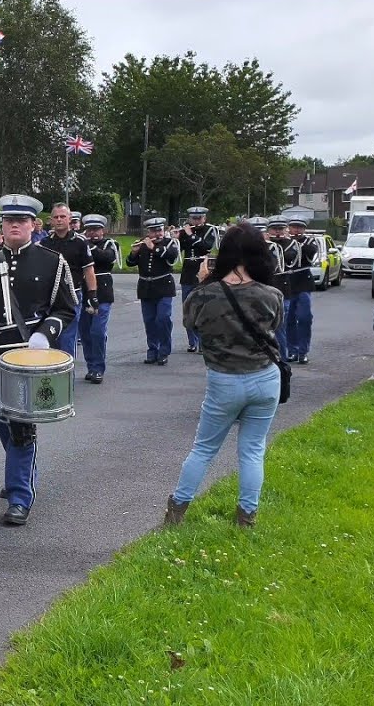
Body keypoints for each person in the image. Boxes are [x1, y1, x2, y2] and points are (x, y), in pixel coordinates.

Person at [164, 221, 284, 528]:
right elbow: (275, 328)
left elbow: (190, 323)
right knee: (253, 450)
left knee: (204, 449)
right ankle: (247, 517)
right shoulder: (271, 294)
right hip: (266, 377)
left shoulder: (205, 296)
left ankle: (177, 511)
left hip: (225, 379)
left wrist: (204, 282)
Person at [0, 194, 77, 527]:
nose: (14, 225)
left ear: (34, 225)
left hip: (30, 358)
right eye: (8, 221)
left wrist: (46, 333)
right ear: (1, 225)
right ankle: (17, 470)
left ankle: (20, 495)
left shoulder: (52, 261)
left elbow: (65, 307)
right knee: (0, 419)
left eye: (22, 221)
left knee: (21, 426)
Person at [42, 203, 97, 357]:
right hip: (49, 297)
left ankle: (67, 378)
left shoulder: (80, 241)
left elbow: (89, 269)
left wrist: (92, 295)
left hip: (72, 296)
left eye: (63, 217)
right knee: (50, 338)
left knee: (67, 338)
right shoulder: (44, 243)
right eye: (56, 217)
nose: (59, 220)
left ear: (70, 219)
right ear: (51, 220)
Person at [126, 217, 179, 365]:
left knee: (163, 319)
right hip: (146, 289)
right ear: (148, 232)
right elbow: (129, 263)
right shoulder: (143, 244)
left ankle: (164, 351)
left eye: (159, 230)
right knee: (149, 321)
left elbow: (172, 256)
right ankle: (152, 350)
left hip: (164, 287)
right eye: (154, 231)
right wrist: (134, 253)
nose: (157, 233)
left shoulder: (170, 243)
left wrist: (153, 248)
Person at [79, 214, 120, 384]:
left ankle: (98, 368)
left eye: (96, 229)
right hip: (83, 291)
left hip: (102, 293)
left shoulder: (110, 244)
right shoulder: (80, 245)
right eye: (89, 230)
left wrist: (86, 244)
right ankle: (91, 366)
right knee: (85, 332)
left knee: (97, 331)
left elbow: (106, 258)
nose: (92, 233)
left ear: (103, 230)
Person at [177, 205, 219, 353]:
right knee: (188, 307)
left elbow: (205, 247)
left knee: (203, 307)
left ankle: (203, 341)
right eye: (193, 218)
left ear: (204, 218)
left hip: (203, 269)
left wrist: (190, 236)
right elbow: (178, 250)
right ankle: (192, 341)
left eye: (199, 218)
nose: (195, 221)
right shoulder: (185, 231)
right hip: (188, 271)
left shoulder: (210, 230)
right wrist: (176, 238)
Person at [283, 218, 318, 364]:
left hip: (303, 283)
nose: (296, 230)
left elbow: (309, 251)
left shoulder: (309, 242)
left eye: (300, 227)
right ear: (289, 228)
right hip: (287, 284)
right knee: (288, 319)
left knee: (305, 318)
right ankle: (292, 350)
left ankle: (303, 351)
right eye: (293, 227)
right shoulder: (282, 243)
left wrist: (290, 242)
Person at [264, 217, 295, 361]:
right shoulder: (262, 246)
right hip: (264, 291)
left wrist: (282, 241)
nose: (277, 232)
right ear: (268, 230)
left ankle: (282, 359)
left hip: (283, 292)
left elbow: (288, 257)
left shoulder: (290, 244)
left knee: (280, 327)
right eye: (274, 229)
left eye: (280, 229)